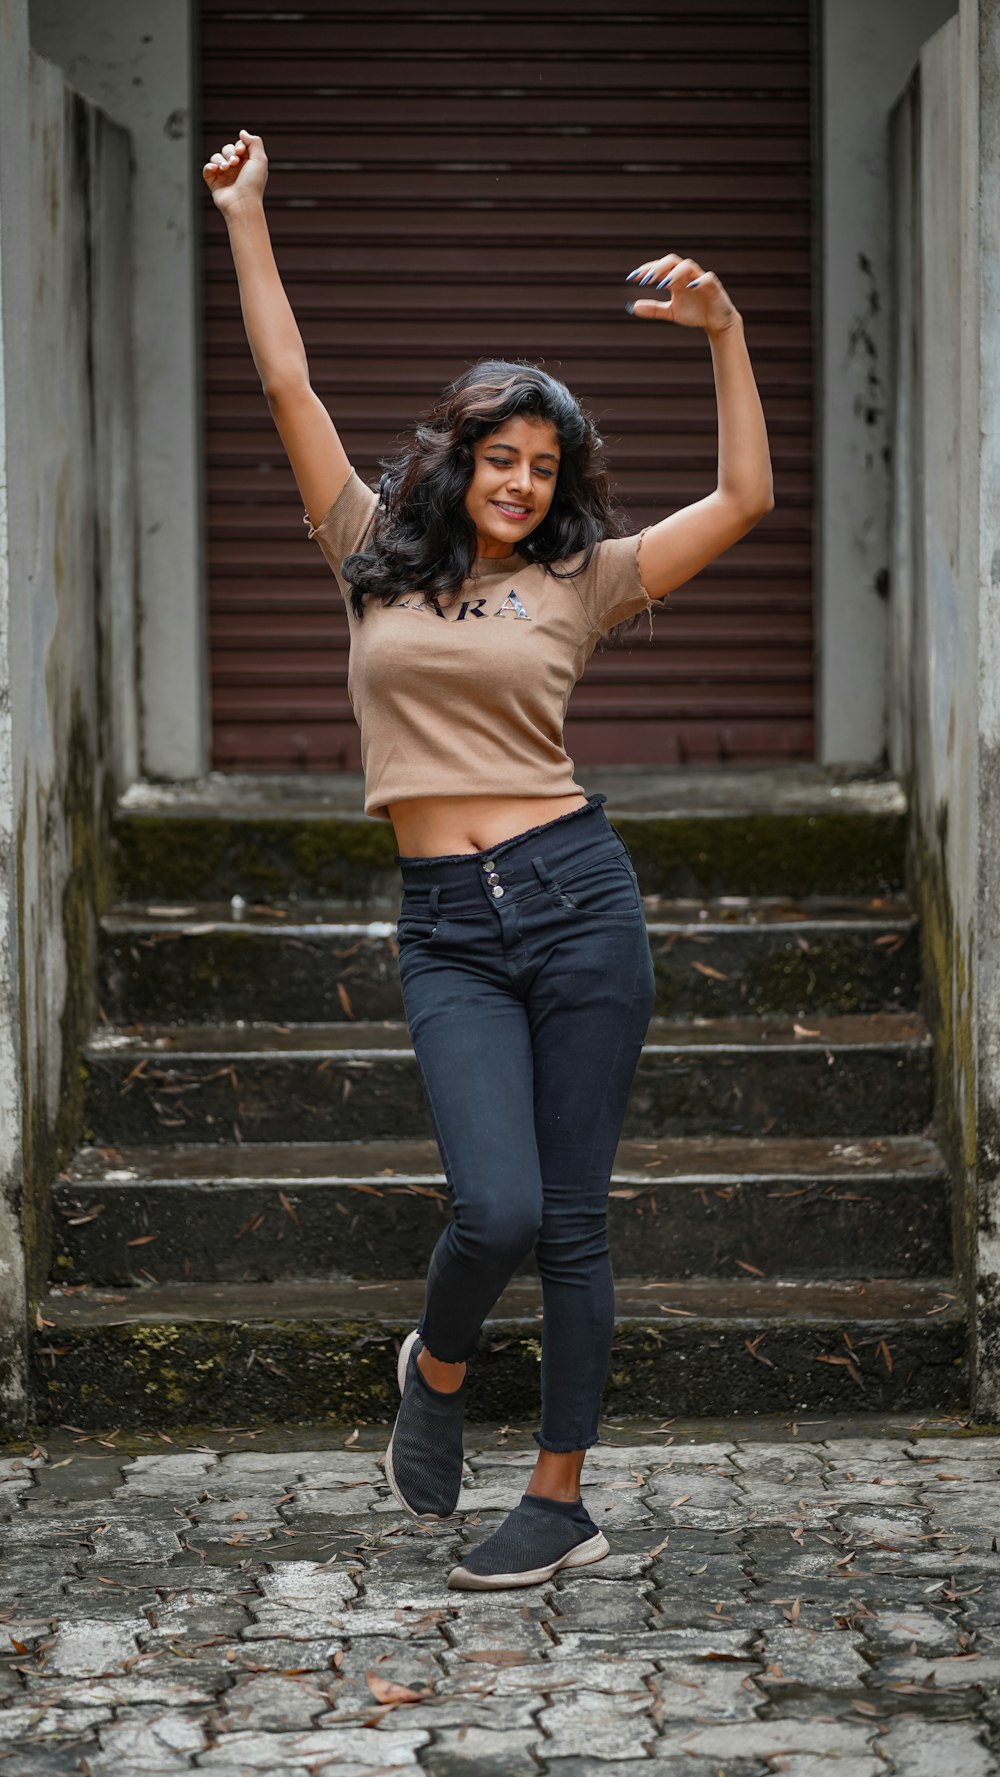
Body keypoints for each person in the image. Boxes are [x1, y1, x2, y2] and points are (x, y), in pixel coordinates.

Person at [204, 127, 774, 1592]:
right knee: (498, 1208)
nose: (521, 484)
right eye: (499, 459)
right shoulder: (366, 552)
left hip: (580, 900)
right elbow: (286, 384)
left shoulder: (582, 581)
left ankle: (561, 1492)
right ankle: (439, 1369)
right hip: (451, 924)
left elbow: (745, 503)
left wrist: (726, 334)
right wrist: (250, 216)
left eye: (544, 465)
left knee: (572, 1219)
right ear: (456, 462)